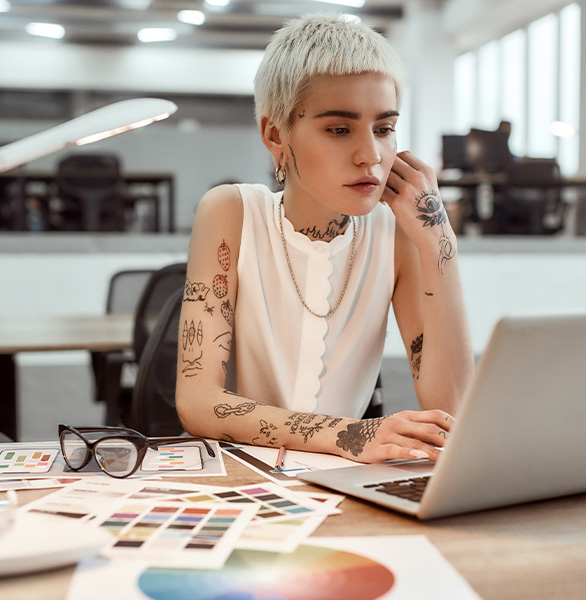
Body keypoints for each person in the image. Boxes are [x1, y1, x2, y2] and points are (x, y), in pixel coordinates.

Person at [175, 14, 473, 464]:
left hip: (337, 485)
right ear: (275, 135)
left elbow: (451, 413)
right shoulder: (232, 212)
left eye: (384, 128)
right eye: (339, 129)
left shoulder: (397, 234)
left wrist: (438, 242)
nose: (370, 155)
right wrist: (351, 435)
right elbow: (196, 402)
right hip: (235, 475)